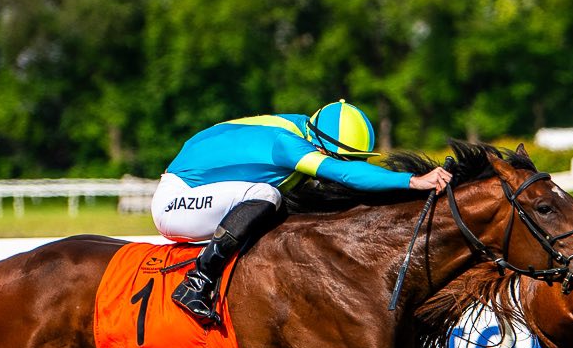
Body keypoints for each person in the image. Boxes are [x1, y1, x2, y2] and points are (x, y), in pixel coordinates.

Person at [150, 101, 452, 328]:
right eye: (341, 156)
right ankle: (197, 283)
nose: (345, 162)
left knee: (281, 203)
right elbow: (343, 174)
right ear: (322, 145)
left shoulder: (303, 128)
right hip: (177, 203)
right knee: (267, 196)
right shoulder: (288, 144)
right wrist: (413, 181)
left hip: (202, 189)